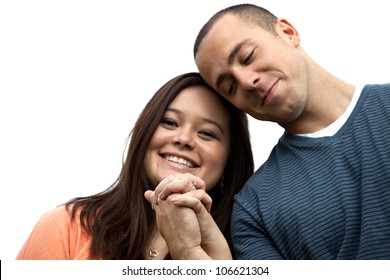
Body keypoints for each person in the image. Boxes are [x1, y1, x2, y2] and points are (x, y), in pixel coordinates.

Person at [191, 3, 390, 259]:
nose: (246, 81)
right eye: (229, 86)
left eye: (248, 56)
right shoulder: (253, 209)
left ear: (287, 32)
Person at [16, 72, 254, 260]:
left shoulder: (250, 249)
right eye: (170, 122)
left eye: (206, 133)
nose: (183, 139)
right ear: (144, 134)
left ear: (230, 161)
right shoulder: (68, 227)